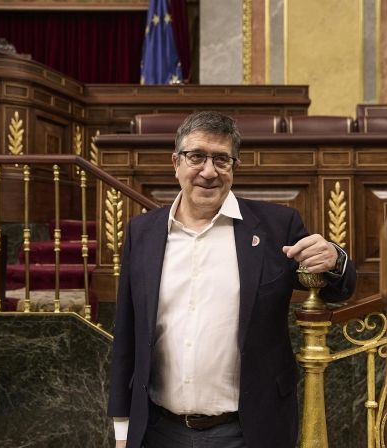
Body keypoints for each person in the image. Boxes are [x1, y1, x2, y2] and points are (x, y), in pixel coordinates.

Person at [108, 111, 356, 448]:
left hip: (247, 432)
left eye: (221, 159)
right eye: (196, 156)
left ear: (234, 167)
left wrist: (334, 259)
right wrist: (122, 429)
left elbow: (338, 289)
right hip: (157, 431)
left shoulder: (276, 228)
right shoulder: (143, 233)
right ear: (176, 163)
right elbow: (126, 335)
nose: (209, 171)